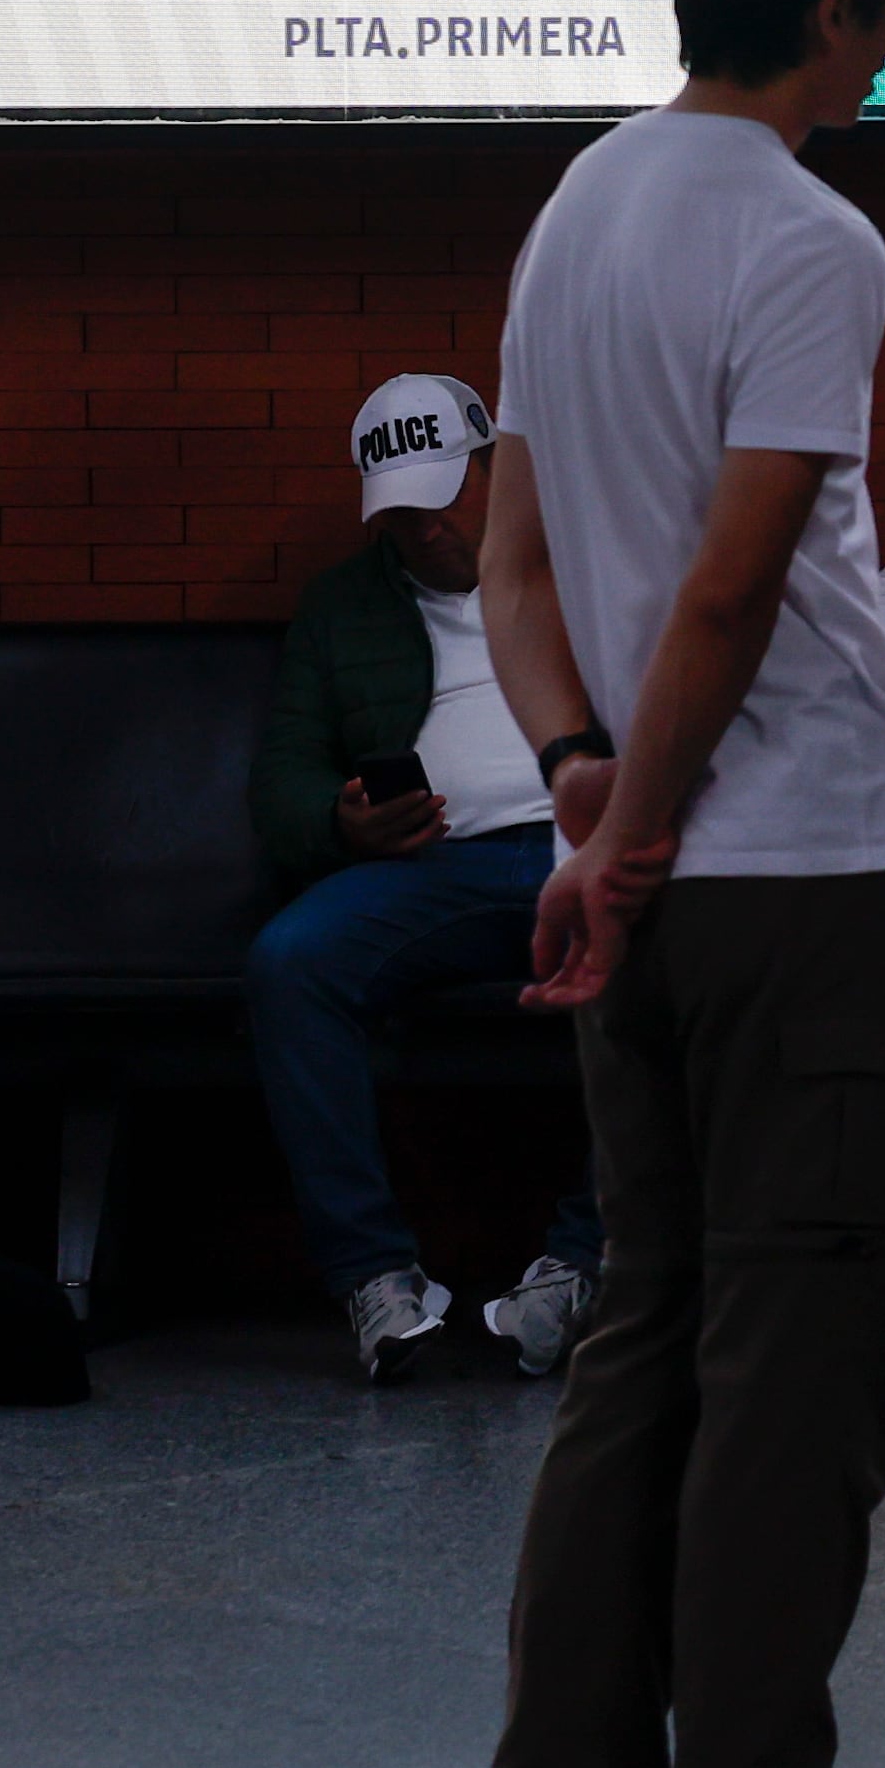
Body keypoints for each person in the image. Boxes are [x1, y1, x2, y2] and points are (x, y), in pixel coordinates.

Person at [460, 0, 885, 1768]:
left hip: (645, 881)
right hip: (799, 879)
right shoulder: (808, 233)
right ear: (834, 6)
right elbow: (744, 581)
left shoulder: (576, 203)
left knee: (646, 1337)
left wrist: (581, 795)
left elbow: (513, 566)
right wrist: (639, 832)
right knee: (798, 1361)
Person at [247, 370, 603, 1382]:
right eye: (405, 514)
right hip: (431, 869)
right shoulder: (344, 604)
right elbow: (280, 774)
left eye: (448, 497)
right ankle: (372, 1276)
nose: (432, 529)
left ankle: (583, 1261)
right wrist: (339, 821)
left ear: (495, 470)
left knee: (680, 943)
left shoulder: (586, 563)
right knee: (291, 961)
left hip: (584, 843)